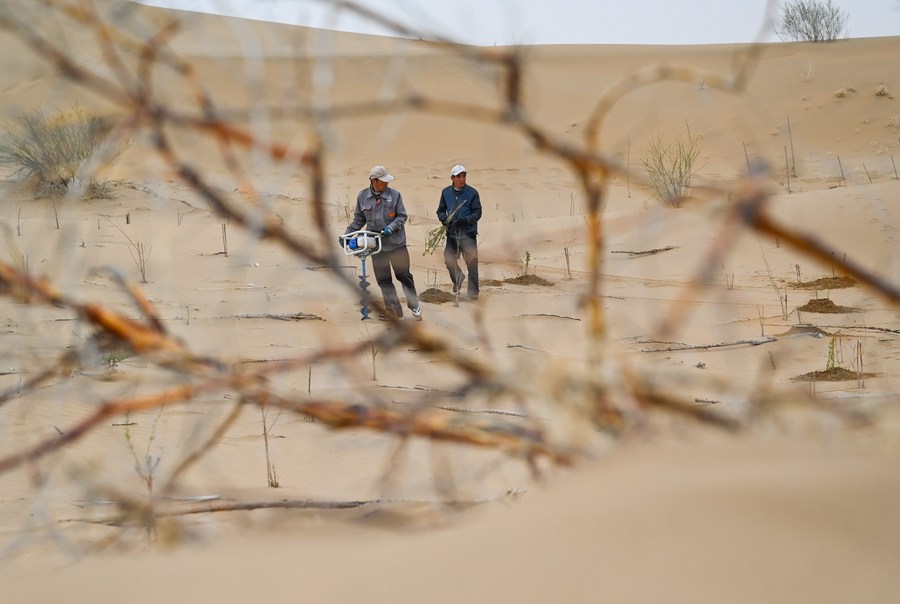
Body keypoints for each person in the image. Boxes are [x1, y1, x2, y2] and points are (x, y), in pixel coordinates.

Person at [341, 165, 422, 320]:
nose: (386, 184)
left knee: (404, 276)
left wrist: (391, 227)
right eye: (383, 181)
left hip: (397, 245)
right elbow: (358, 220)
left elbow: (402, 217)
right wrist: (346, 237)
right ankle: (394, 312)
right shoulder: (362, 197)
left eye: (387, 181)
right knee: (384, 281)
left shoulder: (395, 196)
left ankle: (415, 307)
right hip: (376, 246)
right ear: (374, 181)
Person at [436, 164, 482, 300]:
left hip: (468, 233)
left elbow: (478, 212)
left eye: (464, 176)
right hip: (452, 233)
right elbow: (440, 211)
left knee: (472, 263)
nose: (462, 179)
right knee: (448, 258)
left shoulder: (472, 193)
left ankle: (473, 293)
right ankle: (458, 278)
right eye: (458, 176)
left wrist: (464, 220)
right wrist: (444, 219)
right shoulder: (445, 192)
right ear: (452, 178)